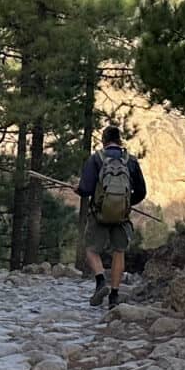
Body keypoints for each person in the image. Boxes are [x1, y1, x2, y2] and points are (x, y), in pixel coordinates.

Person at [77, 124, 146, 309]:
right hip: (122, 216)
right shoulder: (130, 160)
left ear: (104, 140)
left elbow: (85, 189)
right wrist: (126, 204)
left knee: (91, 249)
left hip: (99, 214)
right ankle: (114, 296)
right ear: (120, 140)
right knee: (119, 252)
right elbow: (141, 191)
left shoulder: (96, 159)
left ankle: (100, 281)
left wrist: (78, 190)